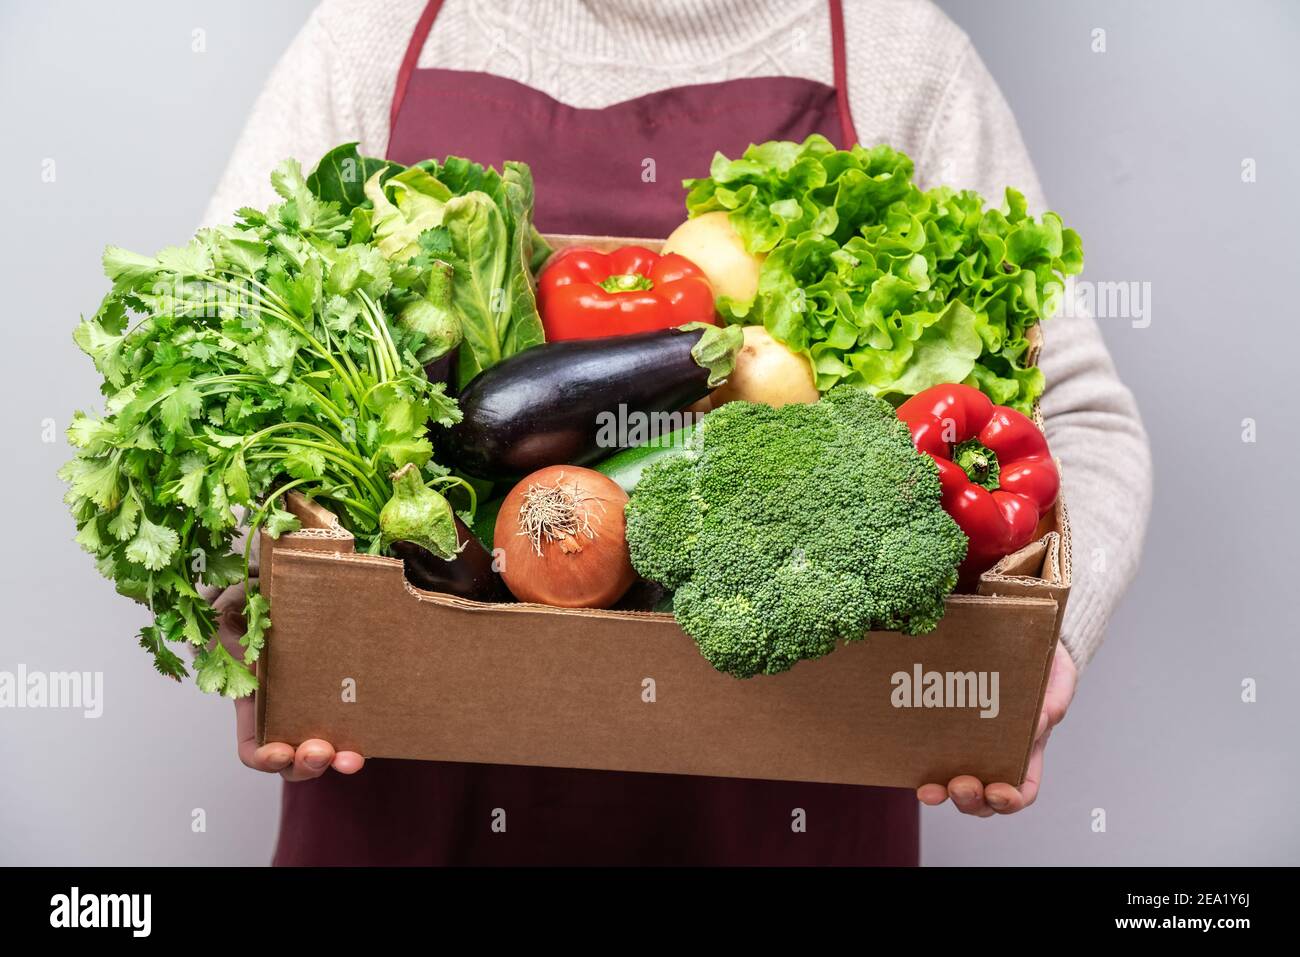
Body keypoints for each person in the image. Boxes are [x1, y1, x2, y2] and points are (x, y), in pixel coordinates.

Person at [205, 0, 1152, 865]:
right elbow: (224, 366)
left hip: (788, 790)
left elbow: (1081, 413)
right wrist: (262, 618)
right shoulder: (376, 34)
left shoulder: (899, 54)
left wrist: (1039, 651)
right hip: (411, 792)